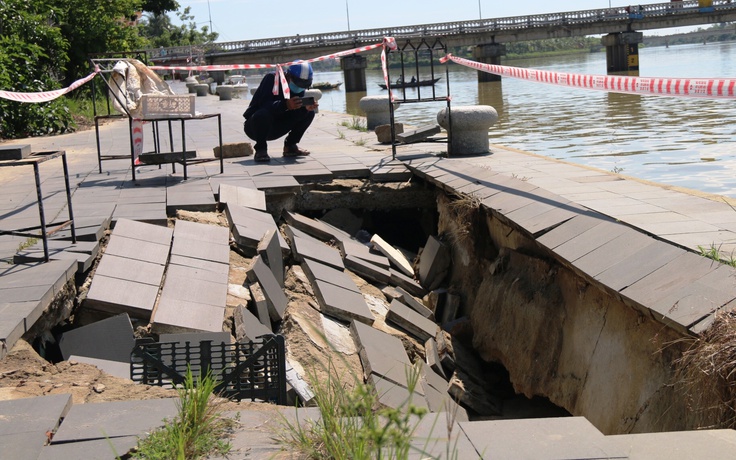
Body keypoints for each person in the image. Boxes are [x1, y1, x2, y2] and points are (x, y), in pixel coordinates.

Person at [243, 61, 318, 162]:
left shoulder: (300, 89)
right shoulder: (271, 79)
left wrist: (305, 109)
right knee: (262, 114)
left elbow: (295, 114)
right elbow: (264, 105)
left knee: (309, 113)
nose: (300, 87)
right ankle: (261, 149)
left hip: (279, 124)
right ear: (288, 76)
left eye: (304, 85)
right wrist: (285, 105)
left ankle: (290, 146)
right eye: (298, 83)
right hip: (255, 126)